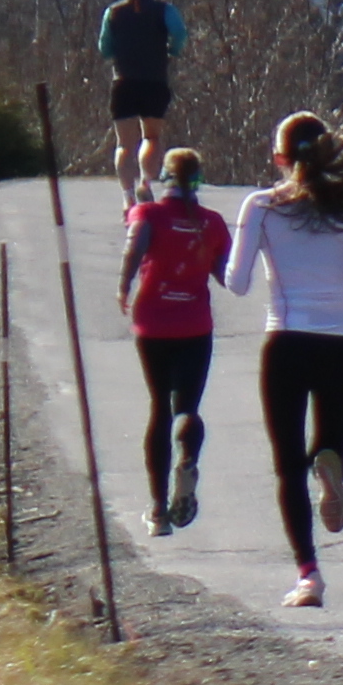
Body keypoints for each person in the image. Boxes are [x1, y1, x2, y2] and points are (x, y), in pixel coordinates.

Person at [223, 108, 343, 609]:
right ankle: (330, 464)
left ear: (278, 158)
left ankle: (308, 575)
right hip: (342, 339)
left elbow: (237, 283)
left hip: (286, 338)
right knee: (333, 445)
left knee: (286, 466)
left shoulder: (262, 206)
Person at [118, 143, 230, 532]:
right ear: (198, 180)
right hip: (195, 324)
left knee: (159, 407)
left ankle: (158, 511)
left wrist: (123, 286)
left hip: (152, 323)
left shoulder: (148, 213)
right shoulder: (212, 223)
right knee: (187, 408)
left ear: (165, 178)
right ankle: (188, 459)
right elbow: (225, 274)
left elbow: (134, 247)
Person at [97, 0, 188, 197]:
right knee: (151, 137)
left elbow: (104, 48)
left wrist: (120, 52)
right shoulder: (164, 10)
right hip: (154, 81)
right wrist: (172, 50)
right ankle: (145, 184)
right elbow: (179, 33)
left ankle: (128, 196)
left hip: (124, 82)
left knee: (124, 144)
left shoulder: (113, 13)